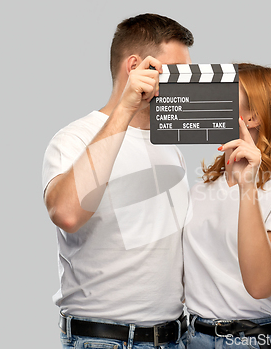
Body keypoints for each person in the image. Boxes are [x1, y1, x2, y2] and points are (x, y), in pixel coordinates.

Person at [42, 13, 193, 349]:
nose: (186, 84)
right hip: (106, 340)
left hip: (175, 337)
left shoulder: (171, 149)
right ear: (136, 67)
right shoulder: (74, 139)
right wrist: (124, 109)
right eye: (177, 73)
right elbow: (67, 213)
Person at [183, 63, 271, 349]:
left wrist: (247, 187)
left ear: (252, 115)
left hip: (260, 341)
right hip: (193, 339)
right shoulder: (198, 191)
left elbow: (260, 285)